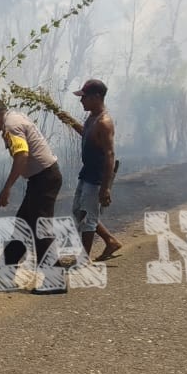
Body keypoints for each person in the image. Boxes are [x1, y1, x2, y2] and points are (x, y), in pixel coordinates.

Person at [0, 84, 63, 292]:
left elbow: (22, 155)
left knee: (39, 228)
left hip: (44, 178)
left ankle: (55, 281)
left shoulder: (11, 126)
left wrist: (7, 187)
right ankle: (3, 275)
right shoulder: (12, 116)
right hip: (42, 178)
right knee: (22, 227)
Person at [62, 79, 123, 261]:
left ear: (96, 97)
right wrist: (69, 121)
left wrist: (106, 187)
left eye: (84, 97)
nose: (81, 101)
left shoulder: (104, 122)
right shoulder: (92, 118)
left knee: (88, 217)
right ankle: (110, 241)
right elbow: (88, 134)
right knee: (78, 211)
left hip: (97, 175)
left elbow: (110, 154)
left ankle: (83, 259)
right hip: (87, 172)